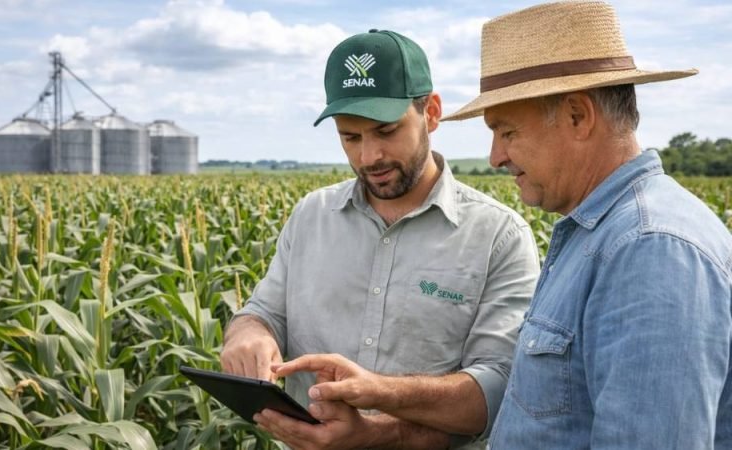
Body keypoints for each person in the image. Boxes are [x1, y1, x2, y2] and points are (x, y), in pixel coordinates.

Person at [220, 29, 540, 449]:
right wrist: (248, 333)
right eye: (350, 137)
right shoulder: (311, 216)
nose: (368, 157)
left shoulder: (499, 235)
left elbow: (498, 392)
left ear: (431, 113)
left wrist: (375, 427)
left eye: (386, 131)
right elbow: (263, 312)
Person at [439, 1, 732, 448]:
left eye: (508, 132)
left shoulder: (649, 250)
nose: (495, 157)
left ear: (578, 116)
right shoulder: (602, 233)